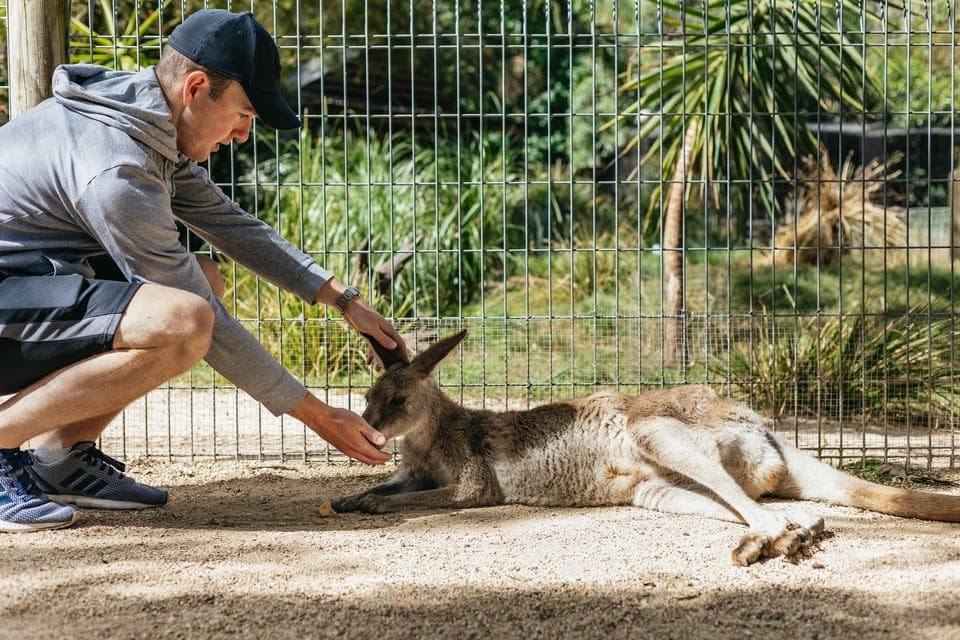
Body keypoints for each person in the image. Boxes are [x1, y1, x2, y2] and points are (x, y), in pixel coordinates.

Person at [0, 9, 407, 532]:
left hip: (20, 291)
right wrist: (318, 415)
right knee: (184, 320)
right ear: (195, 88)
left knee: (203, 279)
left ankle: (60, 458)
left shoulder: (145, 126)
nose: (242, 135)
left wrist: (344, 300)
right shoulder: (116, 167)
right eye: (242, 114)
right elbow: (201, 319)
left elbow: (229, 224)